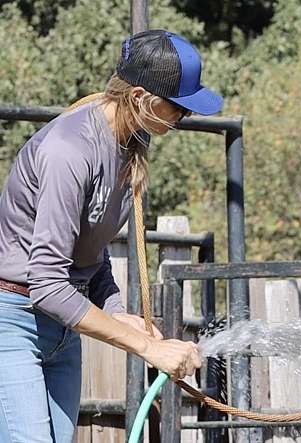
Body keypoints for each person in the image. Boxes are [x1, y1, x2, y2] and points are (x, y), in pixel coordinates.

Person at [0, 29, 223, 442]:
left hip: (61, 334)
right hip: (13, 325)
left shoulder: (128, 143)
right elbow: (47, 284)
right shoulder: (68, 150)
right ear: (140, 97)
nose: (185, 116)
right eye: (177, 106)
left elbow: (90, 250)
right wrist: (148, 348)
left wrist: (116, 309)